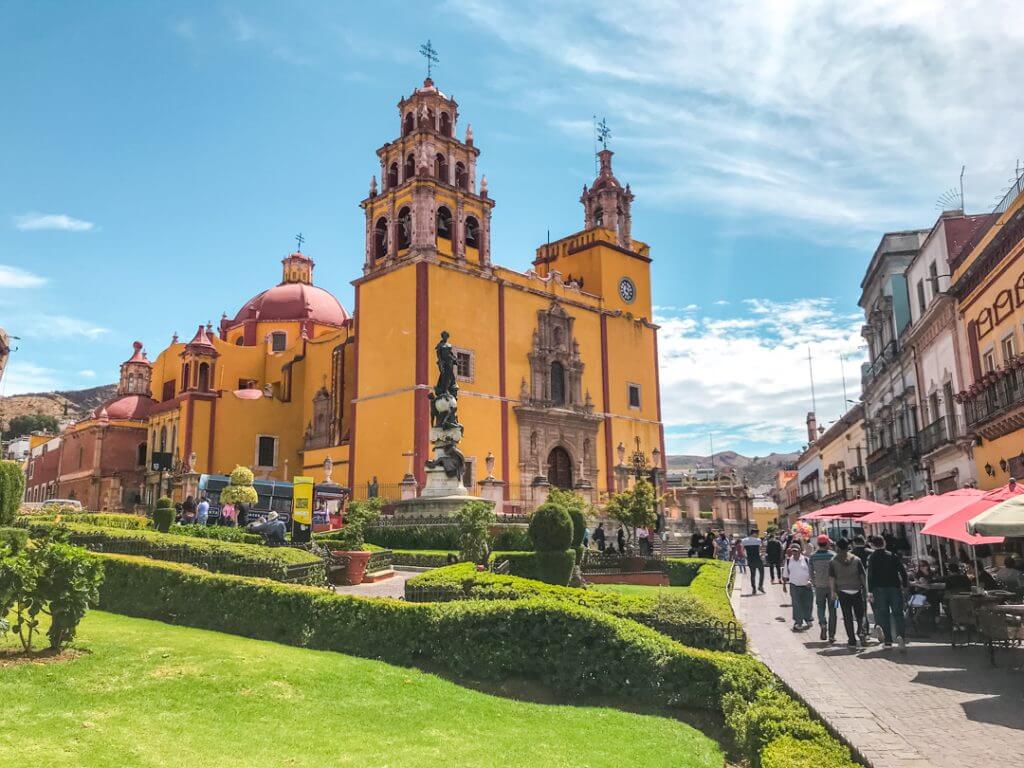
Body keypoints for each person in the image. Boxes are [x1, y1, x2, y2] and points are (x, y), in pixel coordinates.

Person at [867, 535, 908, 651]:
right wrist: (904, 585)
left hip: (878, 589)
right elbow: (902, 571)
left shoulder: (872, 558)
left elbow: (870, 576)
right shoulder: (892, 555)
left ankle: (888, 641)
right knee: (898, 614)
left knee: (884, 615)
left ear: (873, 545)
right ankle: (901, 637)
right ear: (884, 543)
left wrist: (870, 591)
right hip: (894, 588)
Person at [829, 537, 868, 648]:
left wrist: (833, 592)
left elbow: (832, 578)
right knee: (860, 614)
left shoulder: (833, 561)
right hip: (856, 590)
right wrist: (867, 590)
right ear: (848, 547)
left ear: (837, 547)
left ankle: (852, 640)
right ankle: (861, 631)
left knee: (847, 617)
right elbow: (863, 576)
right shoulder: (856, 560)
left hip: (842, 591)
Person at [809, 534, 837, 642]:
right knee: (833, 609)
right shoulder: (833, 555)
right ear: (827, 543)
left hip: (819, 586)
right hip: (833, 588)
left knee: (820, 607)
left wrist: (814, 582)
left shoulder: (813, 556)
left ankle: (823, 624)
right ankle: (832, 635)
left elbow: (810, 572)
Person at [782, 543, 813, 631]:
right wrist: (784, 585)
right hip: (794, 586)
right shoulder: (788, 561)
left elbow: (812, 572)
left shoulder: (806, 560)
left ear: (800, 551)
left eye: (796, 551)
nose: (794, 553)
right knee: (796, 605)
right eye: (793, 551)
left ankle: (808, 619)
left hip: (806, 586)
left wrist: (810, 581)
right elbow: (785, 574)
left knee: (808, 604)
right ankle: (798, 622)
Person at [741, 529, 765, 594]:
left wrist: (745, 556)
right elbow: (761, 549)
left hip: (750, 559)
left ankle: (754, 588)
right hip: (757, 559)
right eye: (757, 533)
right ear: (754, 533)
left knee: (752, 574)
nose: (757, 535)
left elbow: (742, 550)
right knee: (762, 572)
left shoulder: (744, 540)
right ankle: (760, 586)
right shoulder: (758, 540)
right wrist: (762, 555)